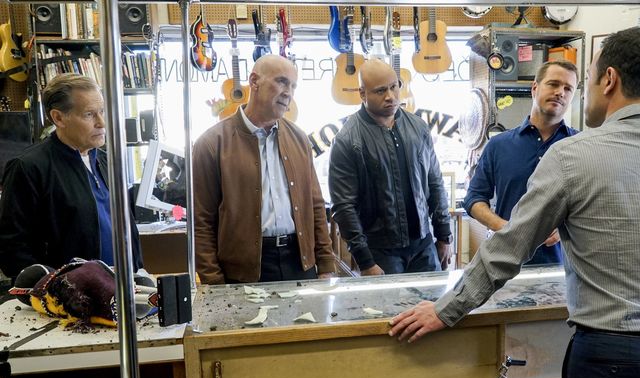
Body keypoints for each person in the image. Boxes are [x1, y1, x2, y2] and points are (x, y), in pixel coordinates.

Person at [389, 27, 640, 378]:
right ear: (535, 88)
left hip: (607, 356)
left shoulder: (574, 153)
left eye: (581, 82)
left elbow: (506, 251)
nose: (567, 93)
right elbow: (476, 202)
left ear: (609, 80)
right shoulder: (504, 146)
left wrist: (446, 309)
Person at [193, 54, 335, 284]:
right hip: (242, 271)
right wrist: (213, 282)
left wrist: (326, 263)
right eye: (281, 82)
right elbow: (201, 221)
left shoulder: (299, 138)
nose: (288, 93)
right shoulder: (211, 144)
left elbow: (315, 205)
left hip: (300, 262)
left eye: (293, 86)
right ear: (254, 81)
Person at [0, 73, 143, 280]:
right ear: (58, 118)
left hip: (123, 287)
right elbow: (13, 250)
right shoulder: (28, 167)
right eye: (89, 114)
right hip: (66, 295)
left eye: (102, 111)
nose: (102, 122)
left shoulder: (108, 161)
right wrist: (57, 287)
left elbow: (127, 229)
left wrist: (137, 273)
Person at [328, 58, 452, 276]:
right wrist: (365, 261)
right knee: (391, 302)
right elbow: (344, 206)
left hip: (424, 246)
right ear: (362, 94)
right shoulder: (347, 140)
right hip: (380, 252)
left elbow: (435, 183)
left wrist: (444, 236)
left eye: (394, 86)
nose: (390, 96)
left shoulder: (419, 127)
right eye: (380, 90)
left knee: (434, 299)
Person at [464, 60, 578, 265]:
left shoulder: (581, 146)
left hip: (562, 267)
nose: (560, 92)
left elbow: (594, 204)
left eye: (568, 88)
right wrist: (506, 228)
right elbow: (473, 199)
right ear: (535, 88)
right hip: (505, 263)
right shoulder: (498, 145)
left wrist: (566, 228)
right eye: (553, 84)